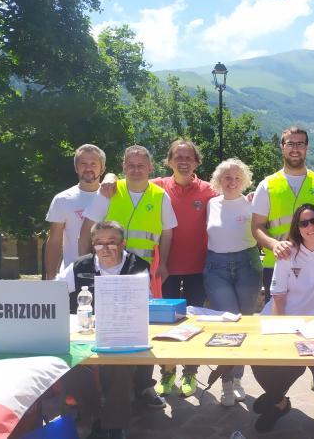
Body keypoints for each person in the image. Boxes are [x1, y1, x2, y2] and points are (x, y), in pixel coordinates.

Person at [98, 139, 216, 397]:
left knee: (193, 323)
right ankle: (167, 371)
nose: (184, 162)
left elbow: (231, 200)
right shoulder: (158, 185)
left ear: (197, 162)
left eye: (189, 158)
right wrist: (108, 175)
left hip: (197, 267)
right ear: (168, 162)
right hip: (163, 270)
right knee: (163, 325)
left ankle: (190, 372)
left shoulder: (208, 191)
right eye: (178, 158)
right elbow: (129, 180)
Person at [78, 145, 177, 409]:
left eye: (141, 165)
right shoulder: (110, 190)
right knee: (105, 324)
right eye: (130, 165)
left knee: (144, 326)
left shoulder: (160, 195)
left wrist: (164, 264)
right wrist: (82, 263)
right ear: (123, 167)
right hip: (108, 267)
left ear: (150, 168)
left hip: (141, 270)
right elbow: (88, 227)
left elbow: (167, 233)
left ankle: (144, 385)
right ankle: (103, 388)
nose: (135, 169)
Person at [251, 204, 314, 433]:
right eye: (303, 223)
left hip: (309, 325)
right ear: (297, 228)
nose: (310, 227)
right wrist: (278, 332)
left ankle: (276, 400)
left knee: (294, 366)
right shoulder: (287, 253)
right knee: (259, 360)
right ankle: (279, 400)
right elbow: (279, 298)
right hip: (278, 318)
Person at [56, 220, 150, 439]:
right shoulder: (79, 266)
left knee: (120, 365)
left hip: (124, 331)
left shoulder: (138, 266)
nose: (105, 248)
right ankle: (94, 414)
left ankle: (114, 425)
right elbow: (55, 291)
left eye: (111, 242)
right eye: (99, 243)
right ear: (92, 244)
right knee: (73, 365)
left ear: (123, 243)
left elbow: (147, 302)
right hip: (84, 331)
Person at [251, 126, 314, 303]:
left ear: (307, 147)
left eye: (300, 144)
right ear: (282, 146)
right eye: (290, 144)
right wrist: (274, 245)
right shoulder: (267, 185)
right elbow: (256, 226)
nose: (295, 149)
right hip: (277, 263)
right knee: (279, 324)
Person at [203, 158, 262, 406]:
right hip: (216, 267)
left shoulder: (252, 203)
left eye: (238, 178)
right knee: (227, 324)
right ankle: (226, 382)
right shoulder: (210, 204)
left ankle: (236, 378)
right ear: (218, 179)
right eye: (227, 177)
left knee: (244, 323)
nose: (232, 182)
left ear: (245, 181)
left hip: (247, 266)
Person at [44, 144, 105, 280]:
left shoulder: (113, 197)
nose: (88, 168)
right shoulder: (62, 199)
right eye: (83, 164)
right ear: (76, 168)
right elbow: (54, 240)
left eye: (94, 164)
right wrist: (51, 277)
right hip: (71, 275)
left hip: (108, 274)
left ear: (102, 168)